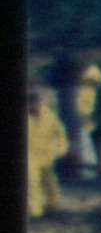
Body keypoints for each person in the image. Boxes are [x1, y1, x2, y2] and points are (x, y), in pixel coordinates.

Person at [47, 45, 88, 179]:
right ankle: (73, 166)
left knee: (67, 132)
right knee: (73, 134)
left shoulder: (61, 65)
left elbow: (52, 80)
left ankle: (69, 166)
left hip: (66, 98)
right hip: (71, 98)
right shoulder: (74, 64)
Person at [29, 83, 67, 218]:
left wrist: (61, 149)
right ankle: (36, 211)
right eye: (32, 104)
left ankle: (52, 204)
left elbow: (60, 134)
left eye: (37, 103)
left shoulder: (50, 116)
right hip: (30, 155)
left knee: (50, 181)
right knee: (33, 181)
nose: (35, 106)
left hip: (47, 154)